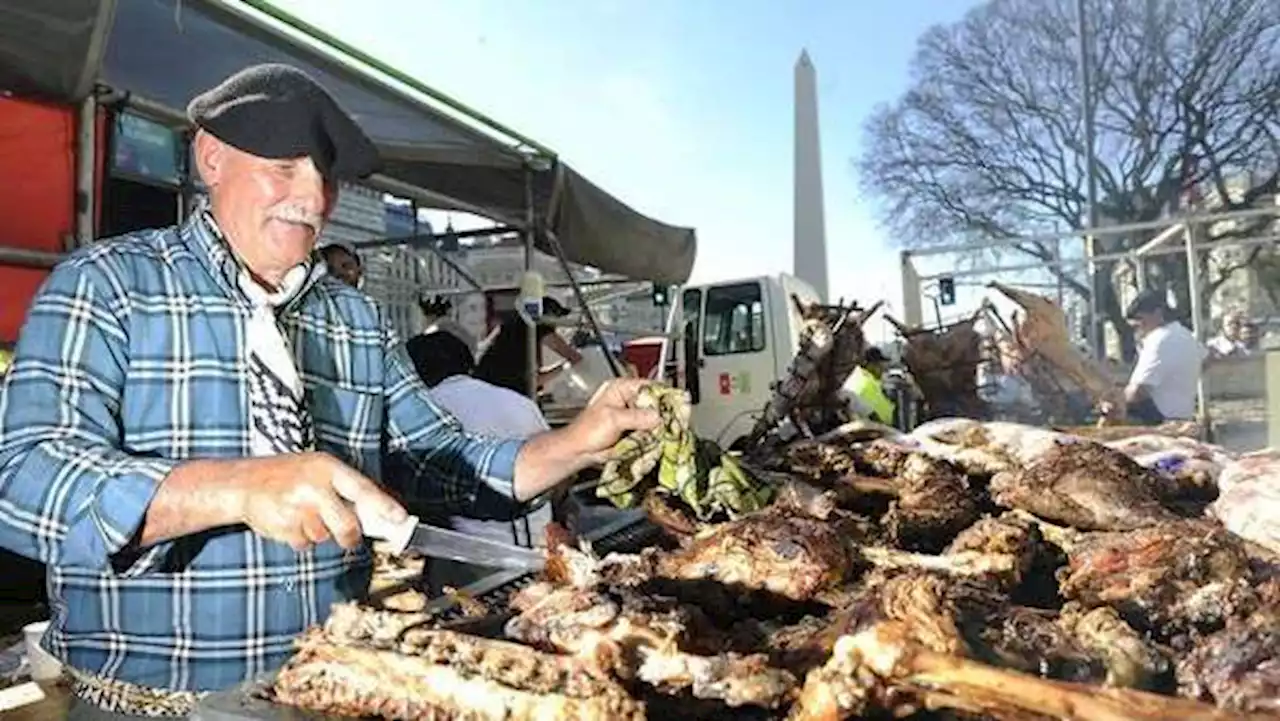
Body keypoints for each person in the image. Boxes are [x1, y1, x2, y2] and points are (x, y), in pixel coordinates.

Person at [0, 63, 657, 720]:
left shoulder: (354, 317)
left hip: (329, 693)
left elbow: (435, 458)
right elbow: (24, 481)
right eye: (285, 166)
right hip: (145, 708)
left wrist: (574, 443)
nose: (313, 198)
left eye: (326, 175)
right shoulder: (107, 285)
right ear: (211, 158)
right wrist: (240, 488)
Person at [404, 321, 557, 591]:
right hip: (539, 549)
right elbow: (559, 474)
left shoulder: (423, 411)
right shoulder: (520, 402)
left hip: (469, 559)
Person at [1121, 289, 1204, 424]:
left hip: (1158, 422)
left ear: (1157, 313)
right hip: (1183, 416)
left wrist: (1116, 399)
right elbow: (1206, 359)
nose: (1138, 327)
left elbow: (1137, 392)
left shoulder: (1158, 340)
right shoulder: (1185, 335)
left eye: (1140, 319)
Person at [475, 296, 584, 395]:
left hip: (482, 386)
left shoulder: (507, 327)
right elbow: (574, 357)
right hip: (506, 393)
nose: (556, 325)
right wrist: (565, 366)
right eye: (556, 318)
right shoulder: (540, 329)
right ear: (549, 317)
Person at [846, 347, 896, 425]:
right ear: (871, 365)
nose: (883, 369)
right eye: (879, 365)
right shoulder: (863, 382)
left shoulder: (867, 379)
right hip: (870, 430)